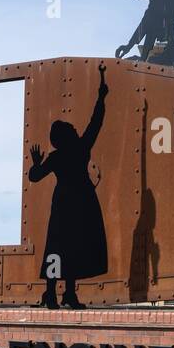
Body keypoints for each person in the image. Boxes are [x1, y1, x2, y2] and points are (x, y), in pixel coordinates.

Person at [29, 63, 109, 309]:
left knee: (57, 246)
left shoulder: (56, 157)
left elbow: (34, 176)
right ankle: (69, 294)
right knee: (75, 246)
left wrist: (35, 162)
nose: (76, 129)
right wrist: (101, 98)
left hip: (63, 203)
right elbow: (96, 123)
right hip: (83, 201)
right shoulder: (81, 149)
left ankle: (52, 293)